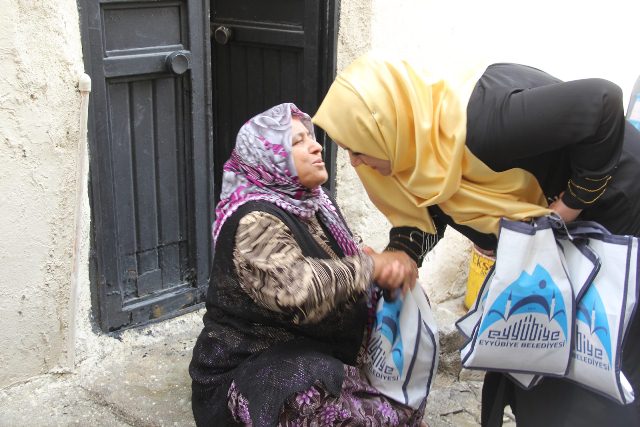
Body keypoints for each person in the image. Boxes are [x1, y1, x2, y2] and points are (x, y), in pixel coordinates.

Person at [312, 54, 640, 426]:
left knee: (591, 357)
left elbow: (603, 102)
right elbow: (430, 207)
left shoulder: (484, 126)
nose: (354, 162)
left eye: (358, 147)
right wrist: (402, 253)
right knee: (534, 348)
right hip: (556, 240)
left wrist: (567, 207)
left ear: (387, 129)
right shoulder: (421, 150)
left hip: (613, 207)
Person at [189, 103, 425, 426]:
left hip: (311, 350)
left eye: (309, 138)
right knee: (314, 394)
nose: (315, 146)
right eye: (296, 141)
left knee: (401, 392)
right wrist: (368, 267)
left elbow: (337, 259)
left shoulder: (315, 201)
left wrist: (366, 261)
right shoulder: (254, 219)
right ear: (268, 156)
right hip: (249, 368)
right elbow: (298, 289)